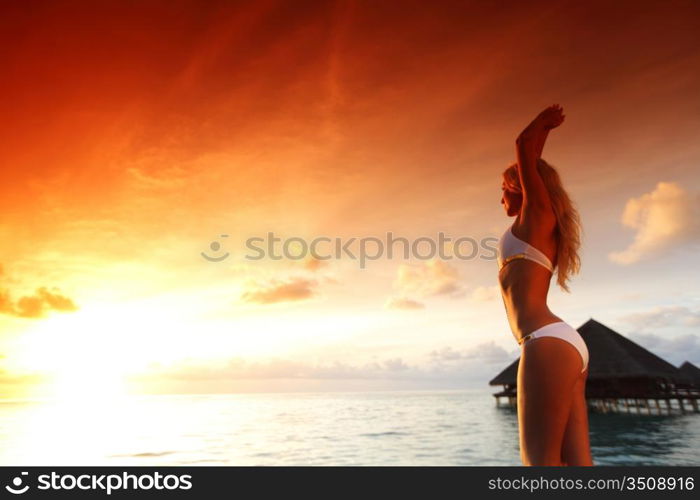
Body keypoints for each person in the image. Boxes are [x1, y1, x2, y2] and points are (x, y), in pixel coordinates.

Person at [498, 104, 593, 466]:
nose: (500, 198)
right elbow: (532, 160)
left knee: (538, 465)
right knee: (579, 466)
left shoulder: (538, 216)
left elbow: (524, 147)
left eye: (503, 188)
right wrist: (546, 134)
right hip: (565, 343)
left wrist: (542, 124)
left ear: (518, 185)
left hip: (544, 342)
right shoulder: (538, 223)